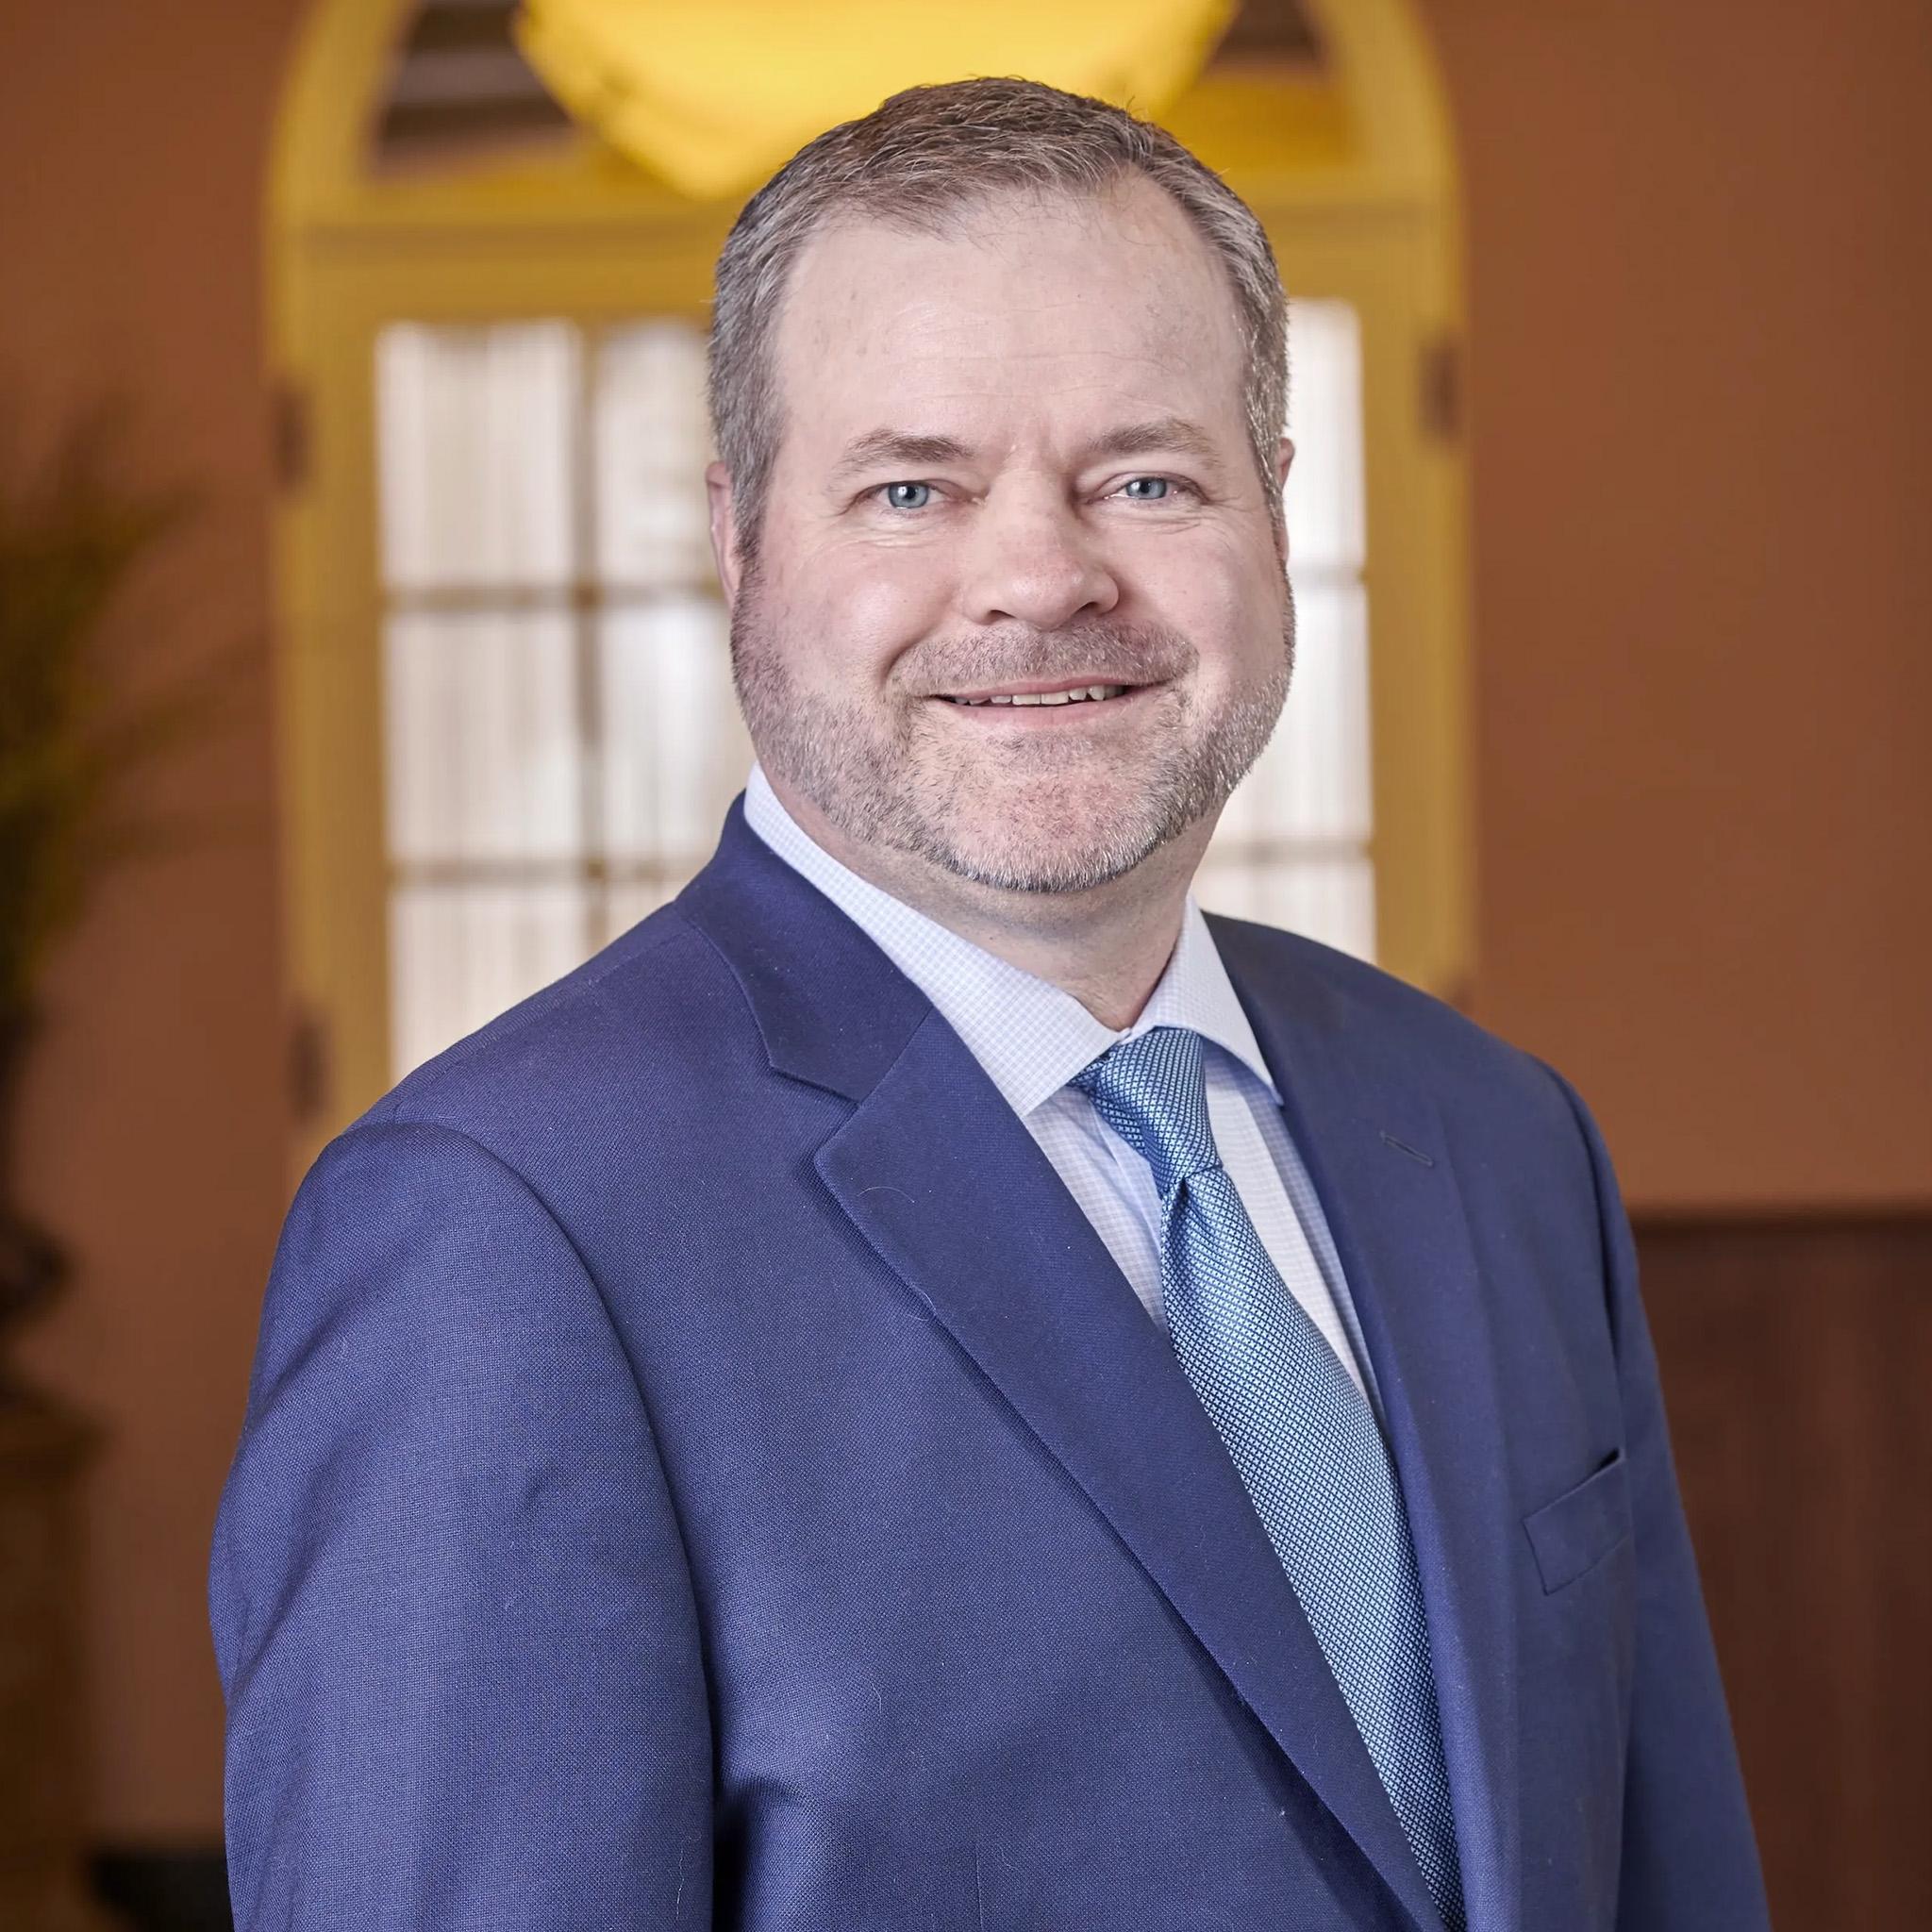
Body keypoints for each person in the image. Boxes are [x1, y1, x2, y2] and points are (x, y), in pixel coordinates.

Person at [210, 77, 1769, 1932]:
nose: (1040, 577)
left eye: (1146, 477)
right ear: (738, 542)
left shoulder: (1500, 1138)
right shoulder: (495, 1232)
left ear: (1274, 513)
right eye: (911, 489)